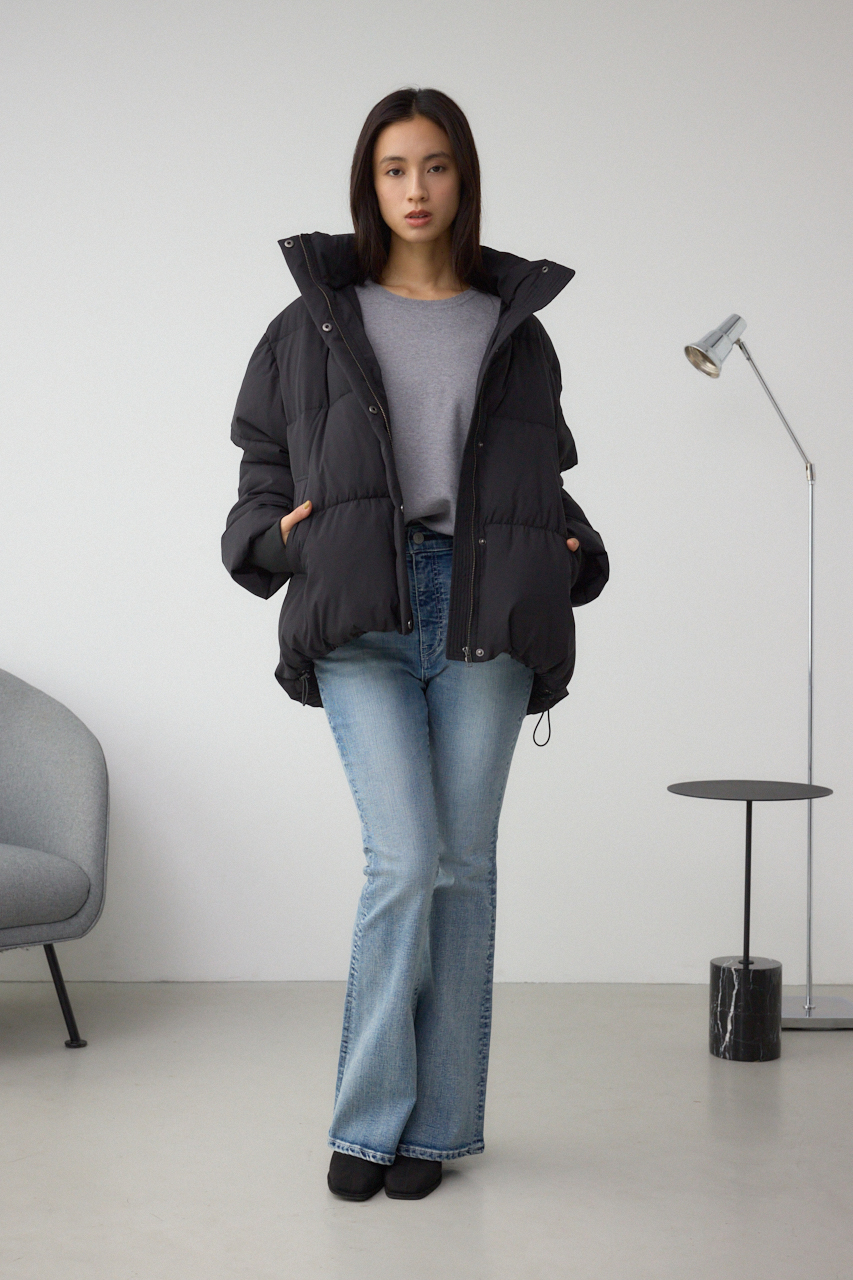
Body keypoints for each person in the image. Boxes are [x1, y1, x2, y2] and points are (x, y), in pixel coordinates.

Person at [221, 87, 609, 1202]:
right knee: (402, 860)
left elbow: (541, 472)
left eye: (434, 166)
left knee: (461, 868)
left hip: (484, 611)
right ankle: (367, 1122)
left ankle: (434, 1132)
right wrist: (274, 540)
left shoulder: (513, 326)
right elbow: (261, 466)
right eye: (394, 169)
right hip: (363, 608)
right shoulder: (312, 322)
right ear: (369, 185)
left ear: (462, 178)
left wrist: (574, 548)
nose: (415, 189)